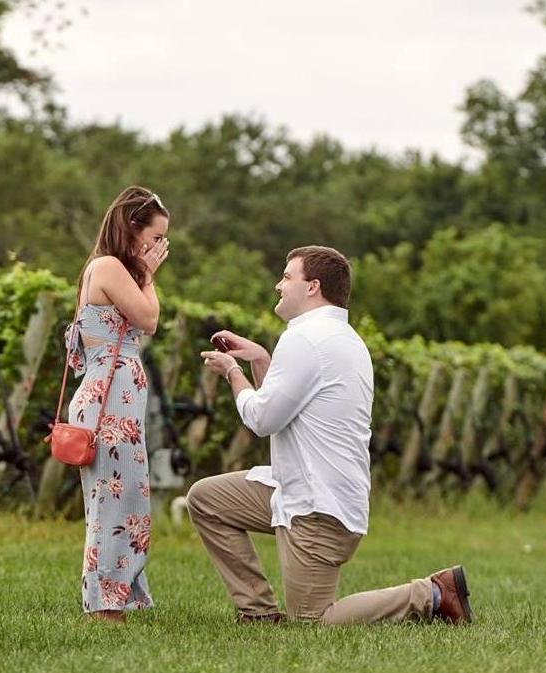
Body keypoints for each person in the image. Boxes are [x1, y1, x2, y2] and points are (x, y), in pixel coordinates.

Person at [189, 245, 473, 625]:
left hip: (318, 509)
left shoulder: (305, 339)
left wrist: (232, 373)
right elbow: (283, 407)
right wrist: (258, 359)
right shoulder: (340, 337)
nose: (278, 285)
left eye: (287, 277)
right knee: (207, 499)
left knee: (313, 620)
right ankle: (257, 612)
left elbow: (261, 419)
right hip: (307, 491)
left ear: (313, 286)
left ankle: (433, 592)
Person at [65, 186, 169, 622]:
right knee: (114, 500)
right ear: (132, 229)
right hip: (109, 402)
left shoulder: (113, 269)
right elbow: (148, 320)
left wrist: (145, 274)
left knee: (126, 497)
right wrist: (147, 274)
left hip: (115, 400)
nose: (160, 248)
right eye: (156, 237)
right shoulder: (109, 266)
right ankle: (104, 603)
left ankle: (123, 593)